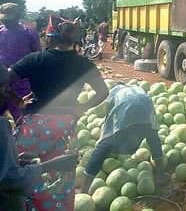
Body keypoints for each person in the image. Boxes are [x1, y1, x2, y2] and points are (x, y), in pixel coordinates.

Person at [2, 18, 109, 211]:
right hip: (64, 131)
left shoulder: (35, 59)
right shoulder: (83, 64)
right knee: (61, 180)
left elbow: (6, 76)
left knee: (28, 174)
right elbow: (103, 92)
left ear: (49, 38)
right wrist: (81, 107)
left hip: (33, 128)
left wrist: (17, 100)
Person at [0, 65, 78, 211]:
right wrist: (51, 165)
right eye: (4, 87)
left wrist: (16, 160)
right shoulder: (1, 126)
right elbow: (9, 180)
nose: (7, 93)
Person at [81, 84, 169, 193]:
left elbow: (109, 115)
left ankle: (84, 190)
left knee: (104, 146)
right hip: (146, 104)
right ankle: (160, 175)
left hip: (125, 107)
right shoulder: (138, 88)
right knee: (153, 138)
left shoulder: (114, 91)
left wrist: (106, 134)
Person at [0, 3, 41, 121]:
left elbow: (37, 56)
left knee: (22, 117)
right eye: (3, 19)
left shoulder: (28, 33)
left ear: (18, 17)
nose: (6, 22)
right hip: (2, 82)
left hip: (22, 83)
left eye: (9, 19)